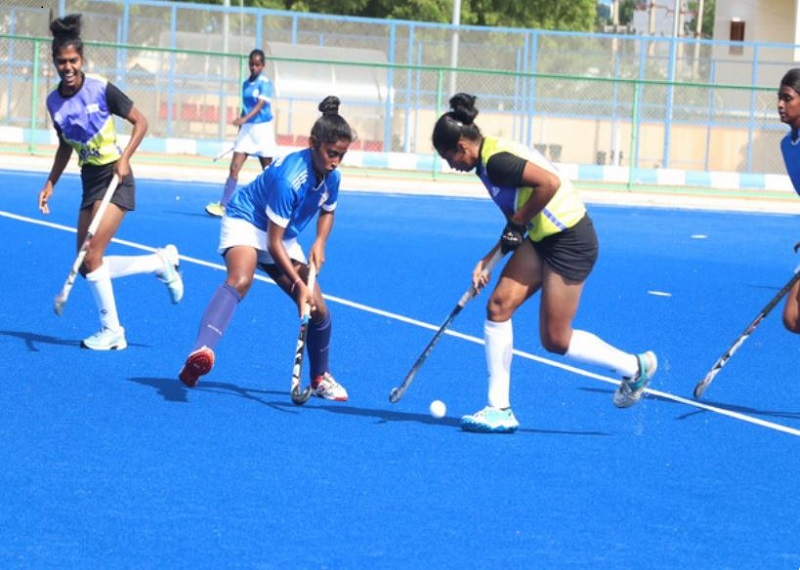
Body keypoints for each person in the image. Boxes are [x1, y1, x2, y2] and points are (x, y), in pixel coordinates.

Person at [431, 93, 657, 433]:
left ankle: (634, 368)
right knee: (498, 306)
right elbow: (517, 222)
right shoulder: (485, 162)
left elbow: (548, 185)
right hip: (542, 238)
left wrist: (518, 225)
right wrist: (489, 259)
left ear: (462, 145)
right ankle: (499, 409)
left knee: (555, 339)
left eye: (449, 157)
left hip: (570, 242)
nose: (451, 165)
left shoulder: (496, 162)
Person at [179, 96, 352, 401]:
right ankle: (199, 353)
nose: (335, 161)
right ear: (313, 143)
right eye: (331, 153)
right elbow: (271, 243)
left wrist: (320, 241)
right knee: (240, 279)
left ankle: (320, 377)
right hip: (248, 220)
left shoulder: (332, 176)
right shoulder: (291, 179)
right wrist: (299, 284)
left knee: (319, 307)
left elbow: (328, 211)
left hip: (283, 234)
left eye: (341, 155)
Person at [38, 13, 183, 351]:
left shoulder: (100, 88)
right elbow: (64, 145)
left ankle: (113, 330)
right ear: (55, 63)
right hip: (90, 182)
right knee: (89, 265)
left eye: (73, 60)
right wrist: (51, 182)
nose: (68, 67)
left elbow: (141, 122)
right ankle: (158, 262)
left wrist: (126, 157)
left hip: (117, 178)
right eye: (62, 62)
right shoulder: (53, 102)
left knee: (91, 257)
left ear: (82, 59)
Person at [206, 49, 277, 217]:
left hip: (262, 129)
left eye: (257, 65)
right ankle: (223, 205)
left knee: (267, 170)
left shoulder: (265, 83)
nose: (254, 68)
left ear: (263, 65)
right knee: (234, 166)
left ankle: (273, 207)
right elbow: (246, 107)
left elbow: (259, 105)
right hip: (247, 130)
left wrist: (244, 119)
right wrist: (241, 129)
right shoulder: (246, 83)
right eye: (252, 64)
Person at [777, 68, 800, 334]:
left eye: (788, 98)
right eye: (779, 98)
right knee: (793, 318)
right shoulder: (788, 145)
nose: (781, 105)